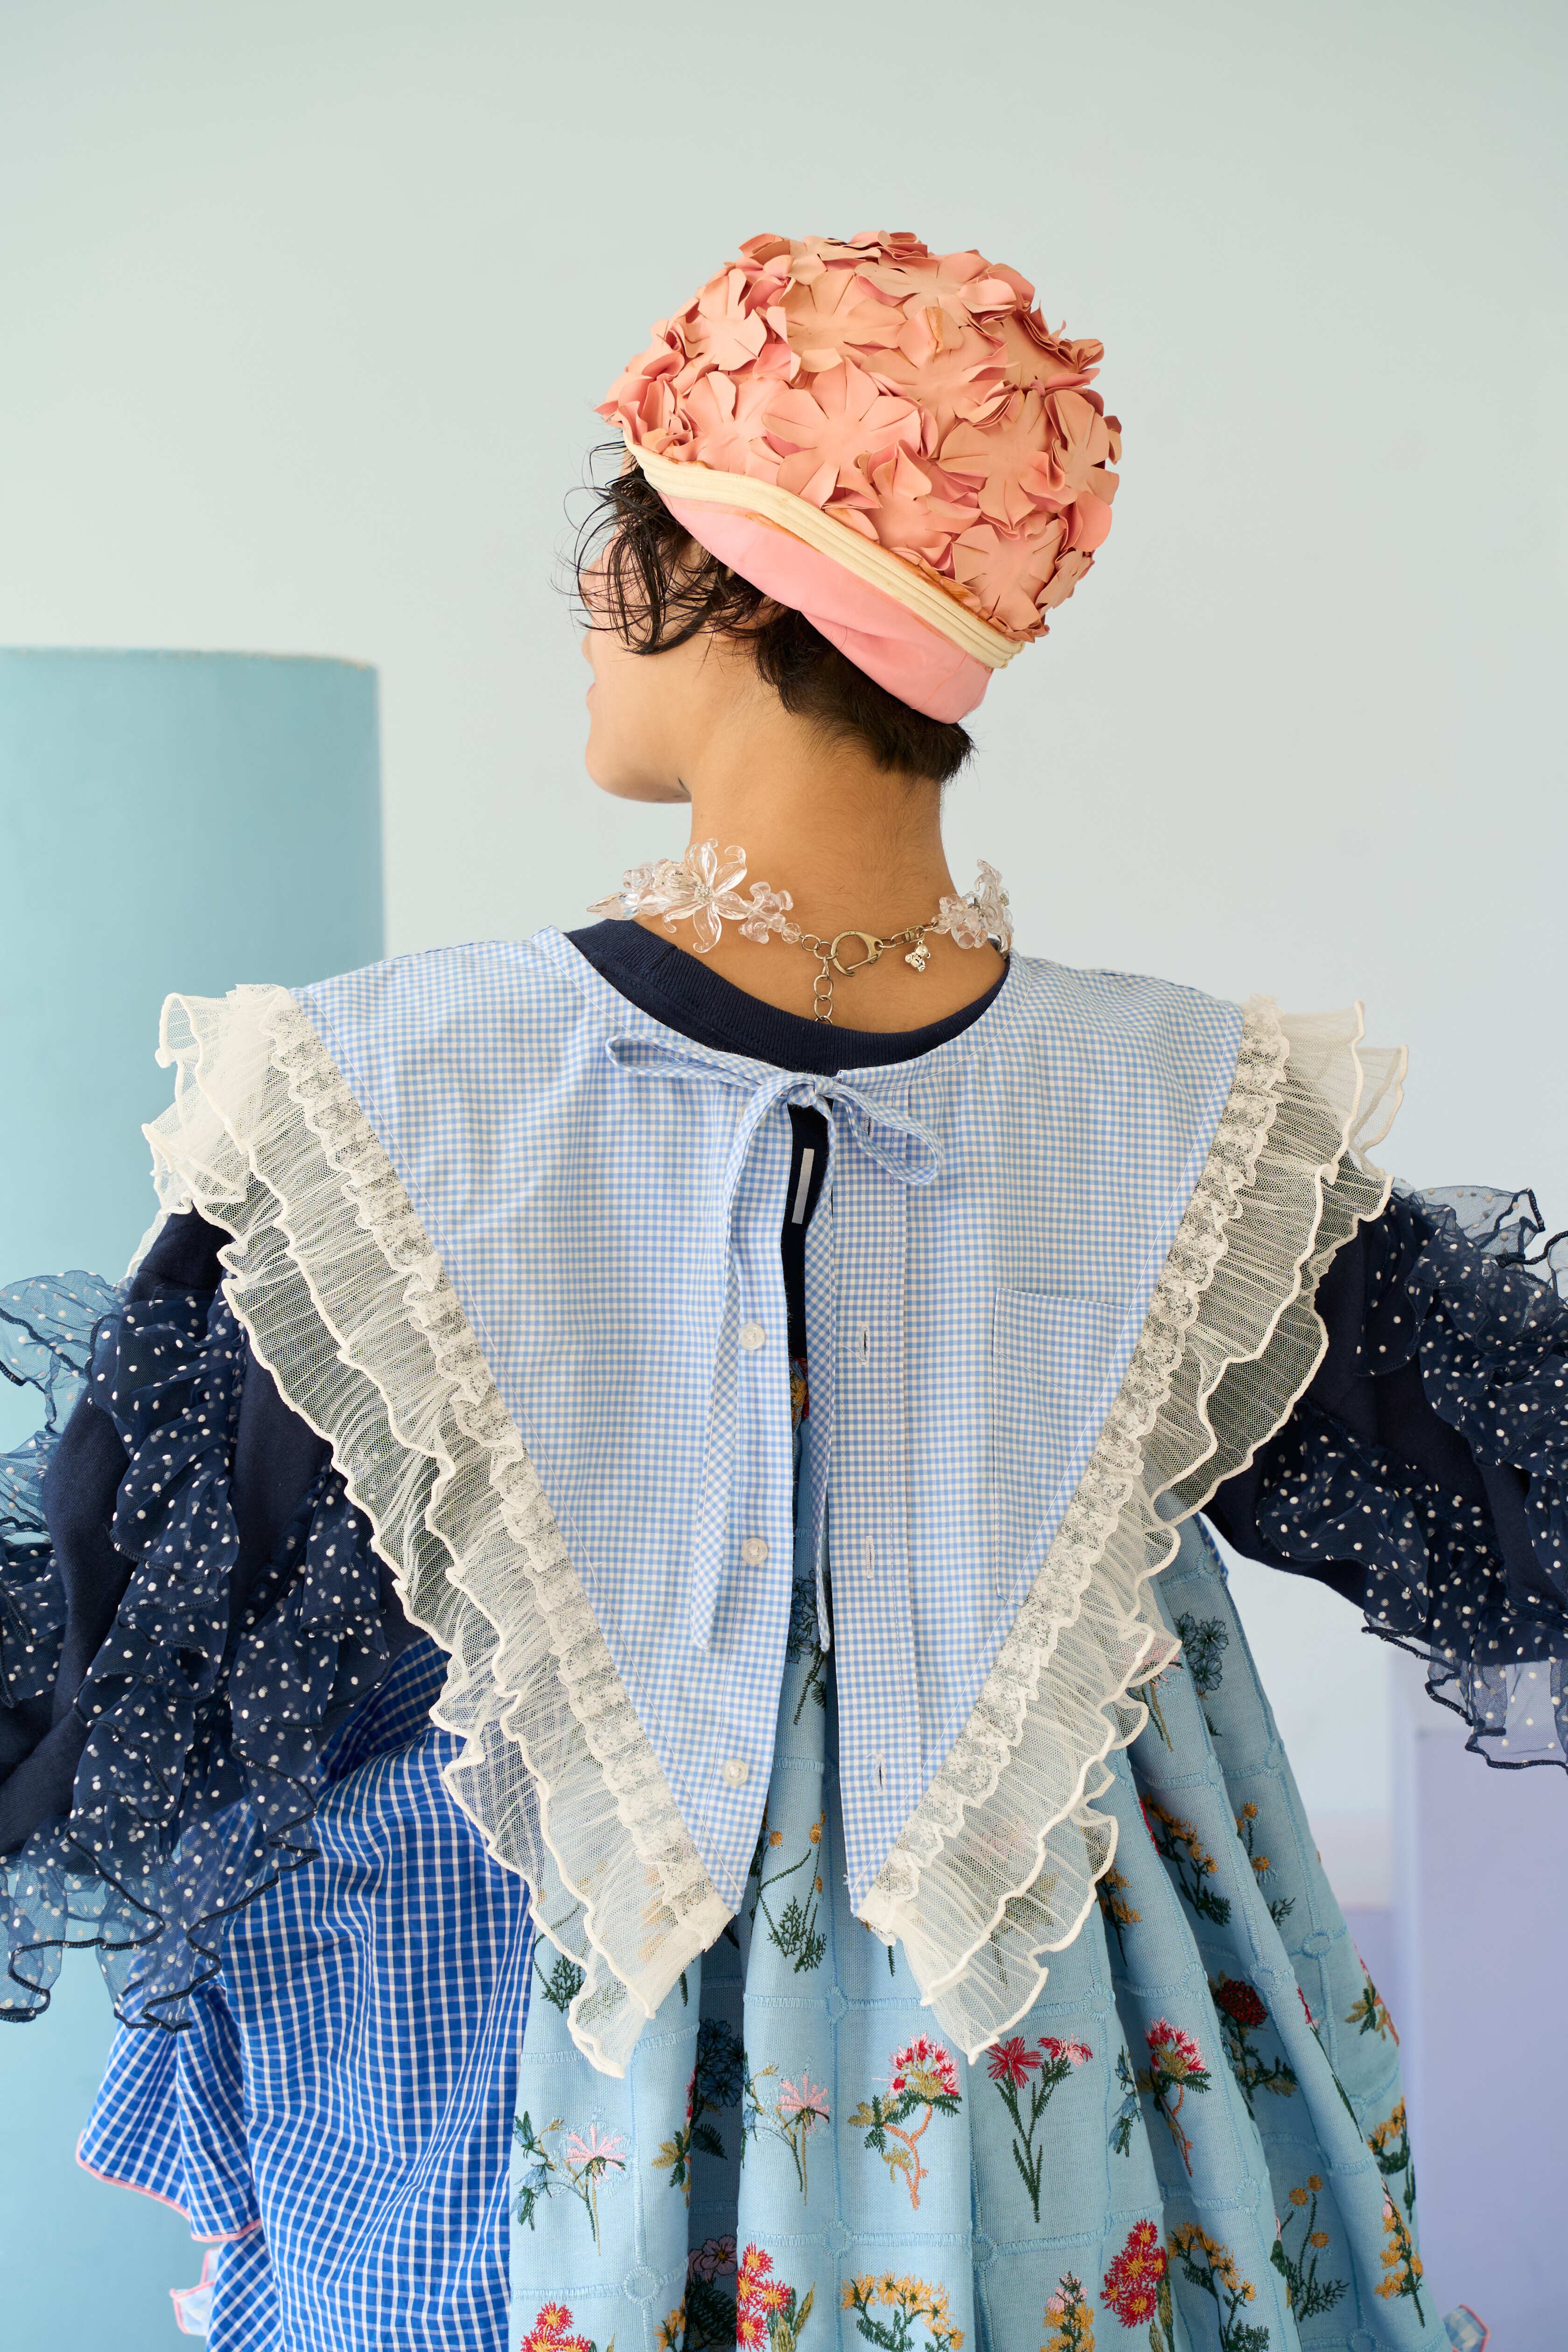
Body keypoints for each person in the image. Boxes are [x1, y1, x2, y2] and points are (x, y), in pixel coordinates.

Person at [0, 229, 1548, 2352]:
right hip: (1076, 2099)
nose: (588, 602)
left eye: (619, 535)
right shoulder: (1185, 1121)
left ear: (726, 582)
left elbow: (152, 1634)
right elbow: (1499, 1495)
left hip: (496, 2083)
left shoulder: (394, 1094)